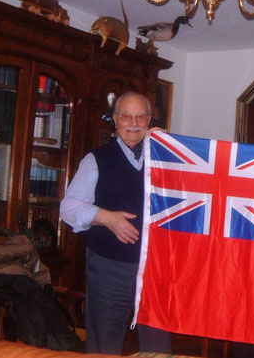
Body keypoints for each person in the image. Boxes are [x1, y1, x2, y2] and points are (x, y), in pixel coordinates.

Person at [60, 92, 172, 355]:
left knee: (157, 345)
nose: (133, 122)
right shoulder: (97, 159)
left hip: (157, 270)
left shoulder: (166, 158)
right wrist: (106, 218)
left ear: (149, 119)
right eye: (126, 116)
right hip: (110, 269)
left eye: (140, 116)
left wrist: (170, 145)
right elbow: (68, 208)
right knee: (105, 344)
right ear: (115, 120)